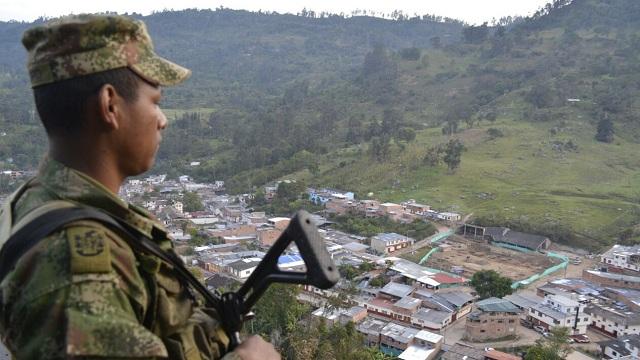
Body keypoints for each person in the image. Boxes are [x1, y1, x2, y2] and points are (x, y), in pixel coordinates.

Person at [0, 14, 280, 360]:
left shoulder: (38, 202)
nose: (162, 121)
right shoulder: (77, 263)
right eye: (156, 102)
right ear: (110, 105)